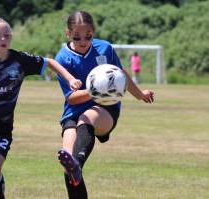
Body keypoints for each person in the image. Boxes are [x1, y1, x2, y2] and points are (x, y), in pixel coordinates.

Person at [0, 17, 82, 199]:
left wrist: (70, 79)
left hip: (1, 128)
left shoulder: (20, 60)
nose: (3, 39)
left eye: (6, 35)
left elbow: (51, 63)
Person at [55, 11, 154, 199]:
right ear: (68, 33)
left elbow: (121, 73)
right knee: (69, 165)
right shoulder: (63, 59)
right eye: (77, 37)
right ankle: (74, 166)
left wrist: (140, 94)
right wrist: (93, 89)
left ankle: (77, 162)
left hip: (105, 108)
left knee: (86, 122)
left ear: (94, 31)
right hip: (73, 112)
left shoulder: (105, 48)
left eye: (88, 36)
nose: (83, 41)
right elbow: (72, 98)